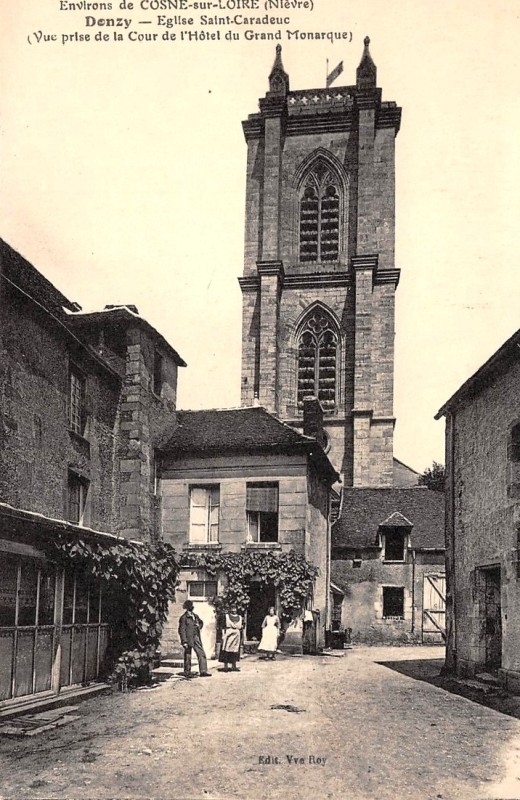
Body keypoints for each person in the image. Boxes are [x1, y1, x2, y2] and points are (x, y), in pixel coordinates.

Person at [178, 600, 212, 679]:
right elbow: (181, 630)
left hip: (196, 637)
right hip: (188, 638)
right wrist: (184, 641)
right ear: (187, 608)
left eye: (191, 607)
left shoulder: (195, 616)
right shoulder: (183, 618)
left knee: (201, 653)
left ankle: (203, 671)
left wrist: (198, 626)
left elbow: (201, 622)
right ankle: (187, 672)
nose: (191, 608)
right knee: (188, 655)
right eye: (189, 607)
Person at [219, 606, 243, 672]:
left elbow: (241, 627)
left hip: (236, 634)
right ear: (230, 609)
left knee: (235, 650)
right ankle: (225, 666)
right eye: (232, 608)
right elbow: (223, 626)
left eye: (235, 608)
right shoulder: (226, 616)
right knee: (226, 649)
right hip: (229, 633)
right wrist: (223, 634)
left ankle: (234, 666)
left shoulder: (240, 617)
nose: (234, 610)